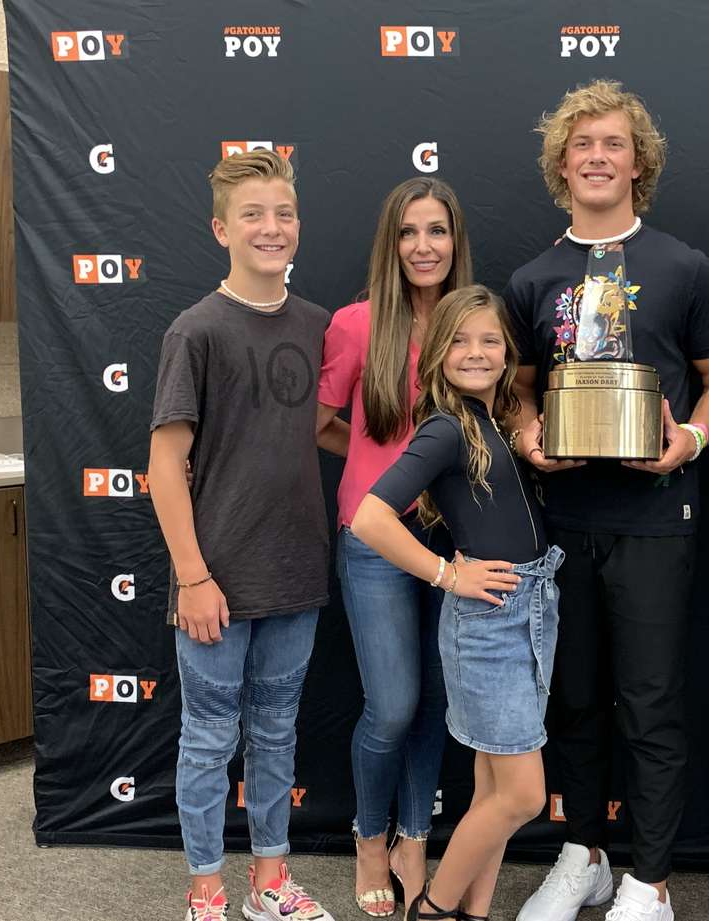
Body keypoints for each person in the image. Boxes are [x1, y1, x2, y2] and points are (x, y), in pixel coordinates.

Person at [506, 80, 709, 921]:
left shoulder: (683, 267)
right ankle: (583, 856)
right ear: (560, 164)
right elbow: (521, 389)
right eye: (582, 145)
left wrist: (692, 443)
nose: (597, 157)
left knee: (647, 700)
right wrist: (531, 439)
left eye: (613, 144)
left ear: (639, 162)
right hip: (564, 521)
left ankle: (650, 877)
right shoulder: (534, 278)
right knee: (573, 697)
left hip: (656, 517)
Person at [148, 149, 336, 921]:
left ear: (298, 225)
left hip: (295, 572)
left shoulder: (320, 324)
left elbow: (319, 427)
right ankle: (205, 889)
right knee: (206, 741)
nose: (271, 227)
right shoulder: (196, 330)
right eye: (253, 215)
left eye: (283, 213)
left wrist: (403, 462)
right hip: (215, 582)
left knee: (277, 734)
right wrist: (193, 576)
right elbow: (165, 465)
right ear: (222, 228)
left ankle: (269, 882)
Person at [351, 285, 561, 921]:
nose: (477, 352)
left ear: (507, 352)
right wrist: (447, 574)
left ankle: (474, 913)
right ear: (438, 352)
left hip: (531, 607)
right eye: (461, 341)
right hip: (490, 622)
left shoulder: (492, 420)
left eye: (490, 340)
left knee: (493, 790)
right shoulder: (446, 428)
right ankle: (437, 909)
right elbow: (369, 517)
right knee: (523, 796)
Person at [316, 177, 472, 916]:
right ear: (391, 243)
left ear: (454, 241)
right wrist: (378, 467)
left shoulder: (473, 322)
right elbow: (319, 424)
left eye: (436, 230)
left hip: (456, 537)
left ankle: (416, 835)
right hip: (373, 537)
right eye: (408, 232)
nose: (422, 246)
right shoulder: (354, 325)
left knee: (438, 700)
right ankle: (369, 837)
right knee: (393, 702)